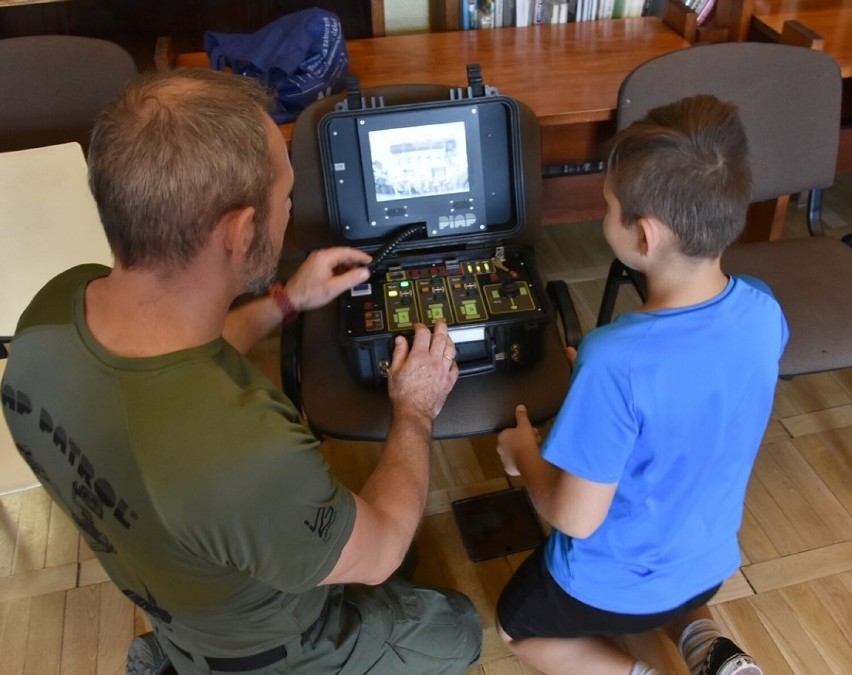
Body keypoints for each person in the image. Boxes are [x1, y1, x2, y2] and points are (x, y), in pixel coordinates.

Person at [0, 68, 482, 674]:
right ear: (242, 231)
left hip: (178, 587)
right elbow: (383, 547)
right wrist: (415, 407)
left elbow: (175, 355)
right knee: (458, 627)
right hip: (272, 647)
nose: (289, 206)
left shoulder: (48, 314)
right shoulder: (246, 459)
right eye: (285, 197)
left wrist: (287, 302)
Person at [494, 95, 787, 675]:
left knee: (515, 628)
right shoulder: (763, 311)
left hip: (610, 584)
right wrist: (598, 391)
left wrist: (523, 455)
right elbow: (691, 395)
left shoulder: (614, 360)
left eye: (606, 205)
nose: (603, 215)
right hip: (708, 563)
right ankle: (712, 650)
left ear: (645, 237)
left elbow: (575, 520)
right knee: (669, 594)